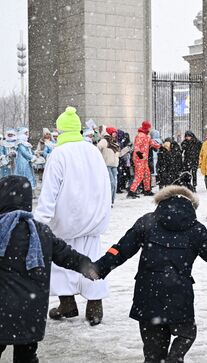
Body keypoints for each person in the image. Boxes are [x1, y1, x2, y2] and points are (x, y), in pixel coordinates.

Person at [93, 185, 207, 363]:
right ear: (192, 206)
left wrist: (100, 267)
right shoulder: (195, 229)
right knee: (187, 333)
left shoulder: (147, 222)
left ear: (161, 202)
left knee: (153, 355)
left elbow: (121, 250)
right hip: (178, 295)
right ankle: (175, 358)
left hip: (148, 294)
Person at [0, 175, 98, 363]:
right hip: (30, 310)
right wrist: (89, 267)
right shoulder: (40, 231)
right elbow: (66, 255)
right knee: (26, 356)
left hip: (2, 309)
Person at [35, 106, 111, 326]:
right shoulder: (93, 151)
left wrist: (40, 220)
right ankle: (95, 306)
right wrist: (102, 211)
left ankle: (67, 303)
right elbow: (105, 185)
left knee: (62, 262)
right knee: (92, 260)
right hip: (92, 219)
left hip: (66, 221)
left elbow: (50, 191)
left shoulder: (59, 154)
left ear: (60, 130)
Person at [128, 120, 160, 198]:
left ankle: (147, 190)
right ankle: (132, 191)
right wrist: (141, 157)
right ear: (147, 127)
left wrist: (158, 145)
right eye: (149, 127)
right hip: (139, 159)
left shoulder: (147, 136)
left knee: (147, 174)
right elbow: (136, 147)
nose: (149, 128)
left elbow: (151, 142)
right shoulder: (140, 135)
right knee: (139, 175)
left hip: (144, 159)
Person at [97, 126, 120, 205]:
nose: (115, 134)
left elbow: (118, 154)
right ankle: (108, 201)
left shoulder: (115, 142)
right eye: (114, 132)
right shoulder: (104, 140)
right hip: (106, 164)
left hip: (114, 165)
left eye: (115, 133)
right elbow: (98, 148)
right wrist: (100, 158)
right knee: (111, 183)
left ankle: (112, 201)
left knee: (115, 184)